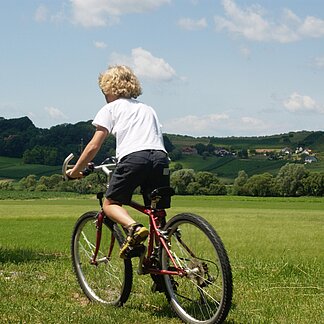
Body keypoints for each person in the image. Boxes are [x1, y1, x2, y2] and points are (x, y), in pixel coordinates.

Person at [66, 65, 170, 258]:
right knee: (157, 214)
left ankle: (133, 228)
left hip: (134, 158)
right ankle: (161, 264)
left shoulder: (110, 108)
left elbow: (93, 146)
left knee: (110, 203)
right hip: (160, 159)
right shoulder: (148, 108)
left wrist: (75, 171)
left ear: (109, 89)